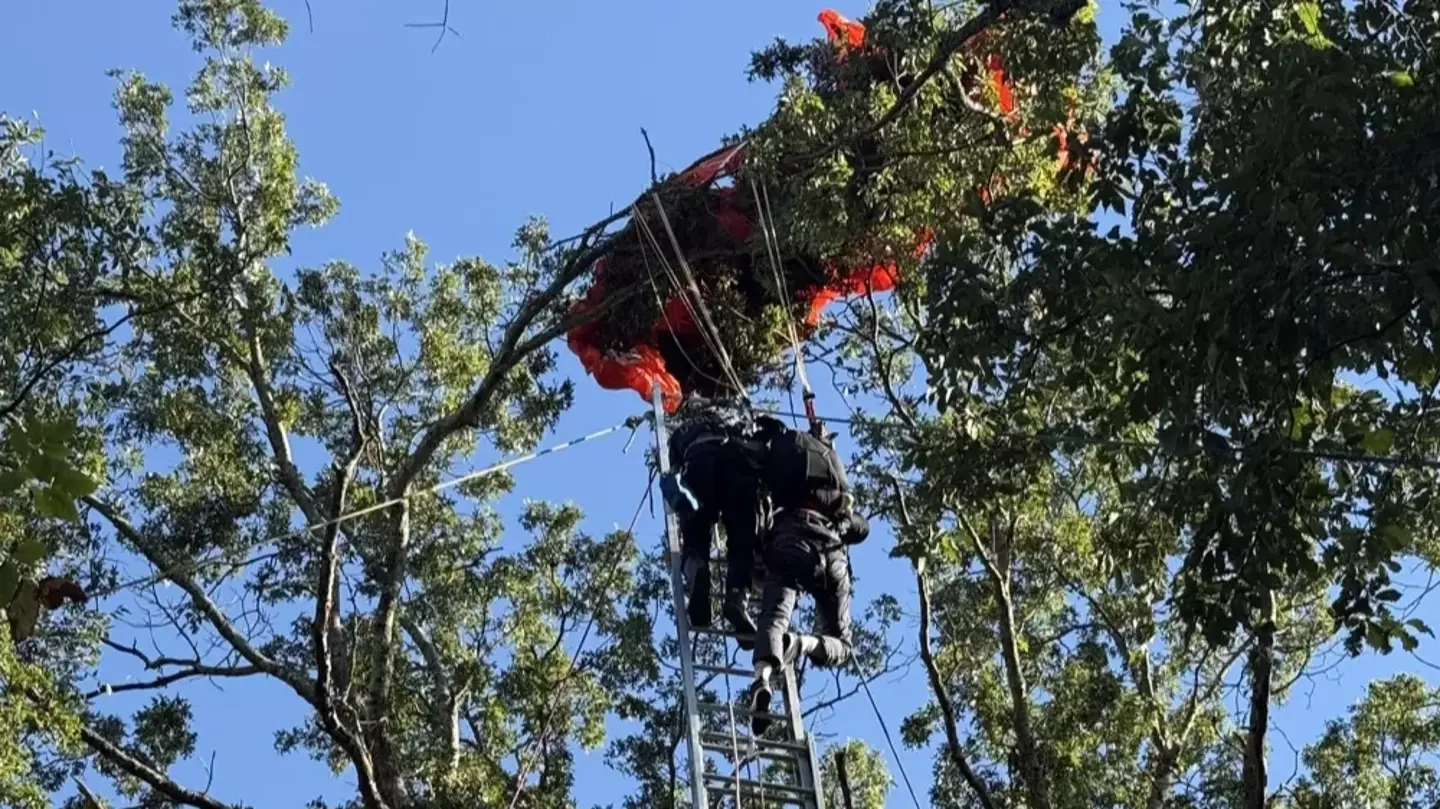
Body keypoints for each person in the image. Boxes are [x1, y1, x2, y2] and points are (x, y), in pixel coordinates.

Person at [746, 419, 868, 733]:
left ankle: (762, 678)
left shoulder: (777, 461)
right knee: (843, 644)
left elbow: (752, 500)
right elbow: (861, 527)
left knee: (775, 614)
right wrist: (842, 523)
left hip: (792, 541)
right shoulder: (833, 474)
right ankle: (803, 644)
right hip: (832, 553)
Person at [660, 393, 785, 638]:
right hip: (740, 467)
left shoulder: (681, 432)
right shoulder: (741, 419)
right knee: (743, 542)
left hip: (699, 463)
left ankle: (697, 572)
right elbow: (774, 435)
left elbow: (674, 473)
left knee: (695, 537)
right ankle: (737, 599)